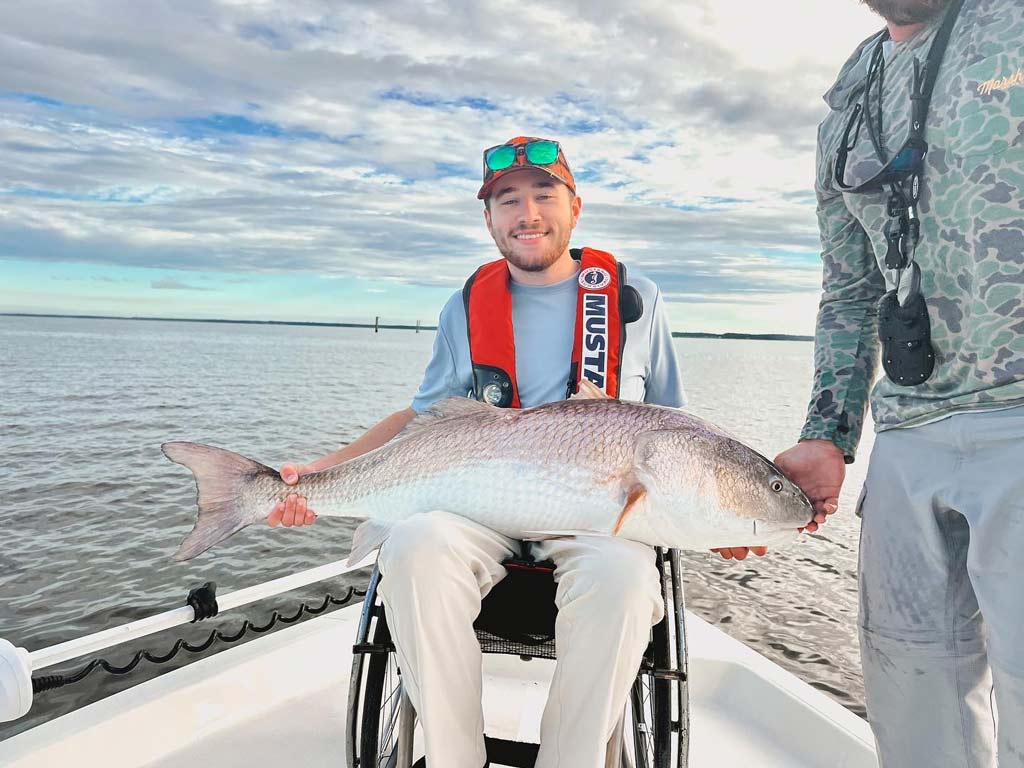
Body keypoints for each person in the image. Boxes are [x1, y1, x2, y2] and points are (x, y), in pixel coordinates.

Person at [267, 135, 687, 768]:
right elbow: (423, 418)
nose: (528, 214)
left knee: (625, 578)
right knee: (412, 545)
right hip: (480, 508)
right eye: (507, 201)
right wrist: (311, 478)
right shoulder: (463, 309)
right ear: (488, 219)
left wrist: (726, 516)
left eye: (545, 195)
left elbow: (673, 425)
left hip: (598, 517)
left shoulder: (637, 301)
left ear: (576, 207)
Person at [772, 0, 1024, 765]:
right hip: (909, 437)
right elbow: (850, 288)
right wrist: (828, 432)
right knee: (913, 702)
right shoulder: (847, 104)